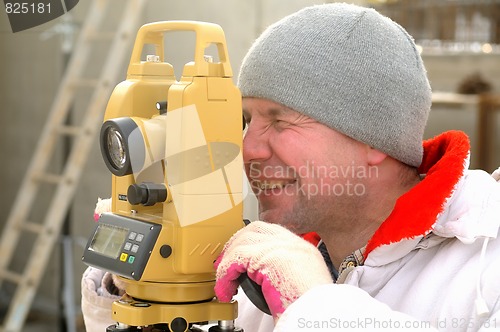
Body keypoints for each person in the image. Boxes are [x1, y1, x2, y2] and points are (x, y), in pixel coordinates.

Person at [81, 3, 500, 331]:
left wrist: (316, 306)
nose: (247, 150)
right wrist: (133, 297)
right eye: (245, 122)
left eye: (280, 121)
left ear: (374, 139)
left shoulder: (485, 264)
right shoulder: (255, 260)